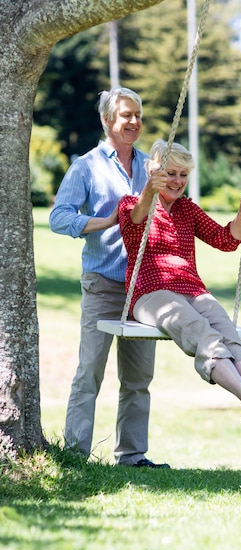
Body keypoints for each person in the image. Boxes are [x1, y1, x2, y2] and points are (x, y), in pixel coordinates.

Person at [118, 139, 241, 425]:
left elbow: (226, 240)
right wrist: (150, 190)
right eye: (171, 173)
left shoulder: (186, 210)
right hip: (151, 293)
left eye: (183, 175)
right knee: (201, 331)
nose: (177, 181)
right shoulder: (133, 203)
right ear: (155, 173)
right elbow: (134, 224)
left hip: (193, 290)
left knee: (227, 333)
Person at [49, 88, 169, 469]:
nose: (134, 122)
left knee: (138, 379)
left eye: (138, 115)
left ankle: (132, 456)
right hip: (102, 282)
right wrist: (104, 223)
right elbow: (59, 217)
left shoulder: (152, 166)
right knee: (90, 373)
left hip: (144, 289)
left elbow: (173, 210)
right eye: (125, 115)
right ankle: (75, 455)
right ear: (107, 121)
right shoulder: (86, 167)